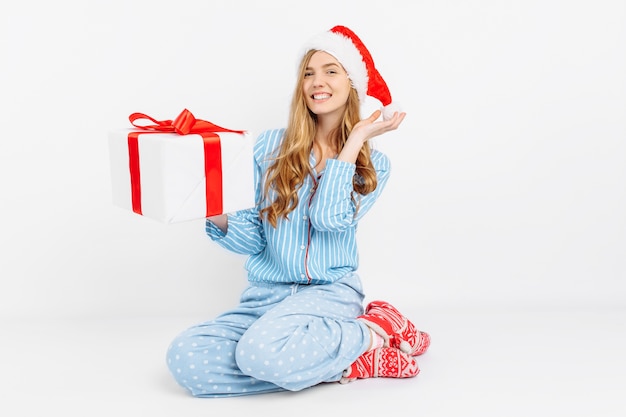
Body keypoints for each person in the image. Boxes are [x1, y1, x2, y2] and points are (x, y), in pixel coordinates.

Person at [166, 25, 430, 397]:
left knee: (261, 353)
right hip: (266, 298)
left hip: (329, 296)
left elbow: (328, 218)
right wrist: (211, 207)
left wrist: (353, 142)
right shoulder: (268, 147)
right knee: (186, 359)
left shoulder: (374, 166)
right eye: (308, 72)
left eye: (330, 70)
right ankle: (349, 360)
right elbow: (254, 238)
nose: (316, 81)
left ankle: (371, 331)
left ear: (352, 83)